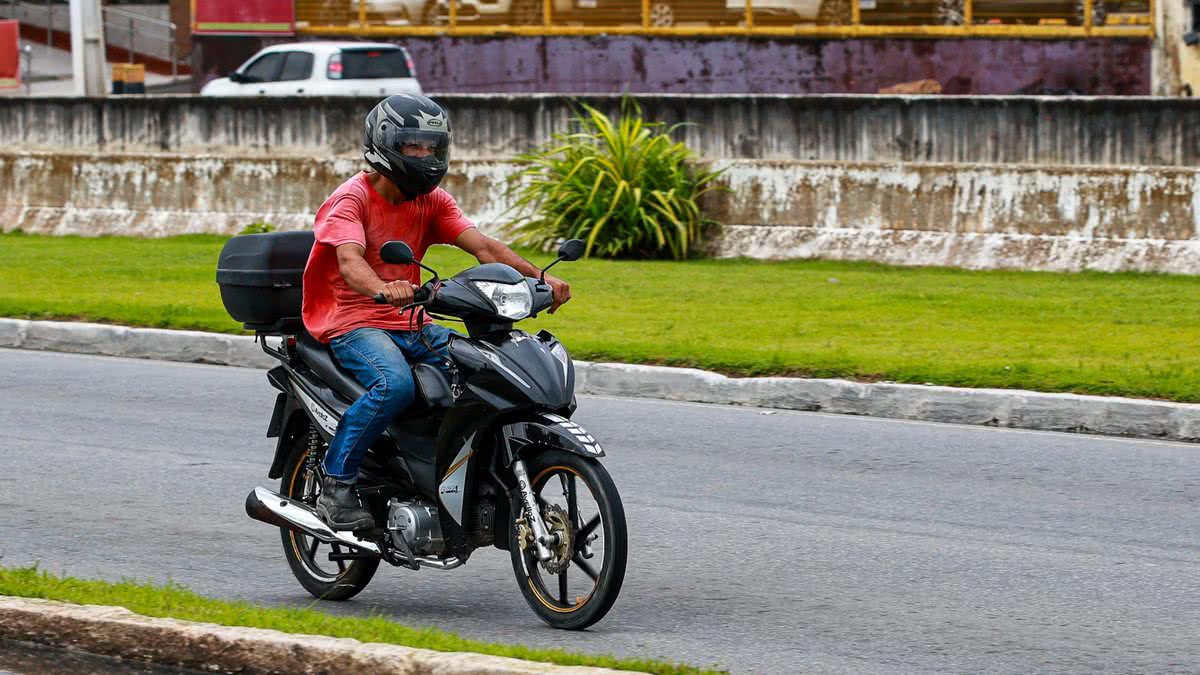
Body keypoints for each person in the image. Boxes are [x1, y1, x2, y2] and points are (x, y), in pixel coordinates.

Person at [301, 94, 570, 531]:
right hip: (352, 319)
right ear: (386, 144)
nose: (425, 156)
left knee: (485, 370)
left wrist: (539, 278)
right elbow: (350, 262)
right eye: (413, 147)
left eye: (432, 147)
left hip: (411, 318)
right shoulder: (349, 200)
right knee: (393, 385)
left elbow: (483, 247)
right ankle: (337, 484)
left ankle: (446, 473)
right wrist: (383, 288)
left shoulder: (433, 201)